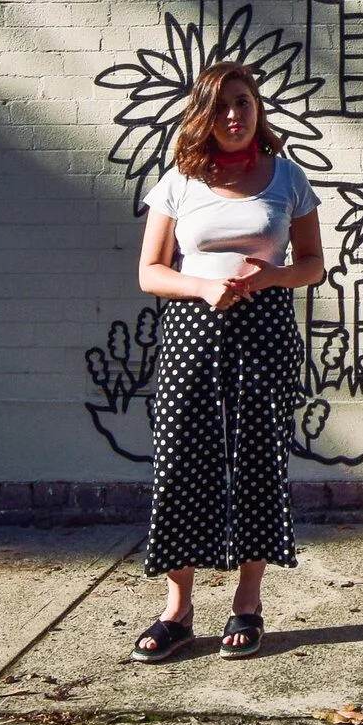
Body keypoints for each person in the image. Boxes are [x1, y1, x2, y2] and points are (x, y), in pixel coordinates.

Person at [129, 59, 325, 662]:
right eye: (221, 107)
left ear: (257, 109)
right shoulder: (178, 183)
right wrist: (203, 288)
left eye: (243, 103)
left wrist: (271, 277)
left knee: (257, 462)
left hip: (263, 332)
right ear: (204, 117)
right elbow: (150, 272)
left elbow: (314, 264)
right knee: (181, 461)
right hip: (192, 332)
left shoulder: (287, 177)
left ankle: (247, 603)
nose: (234, 116)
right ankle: (178, 611)